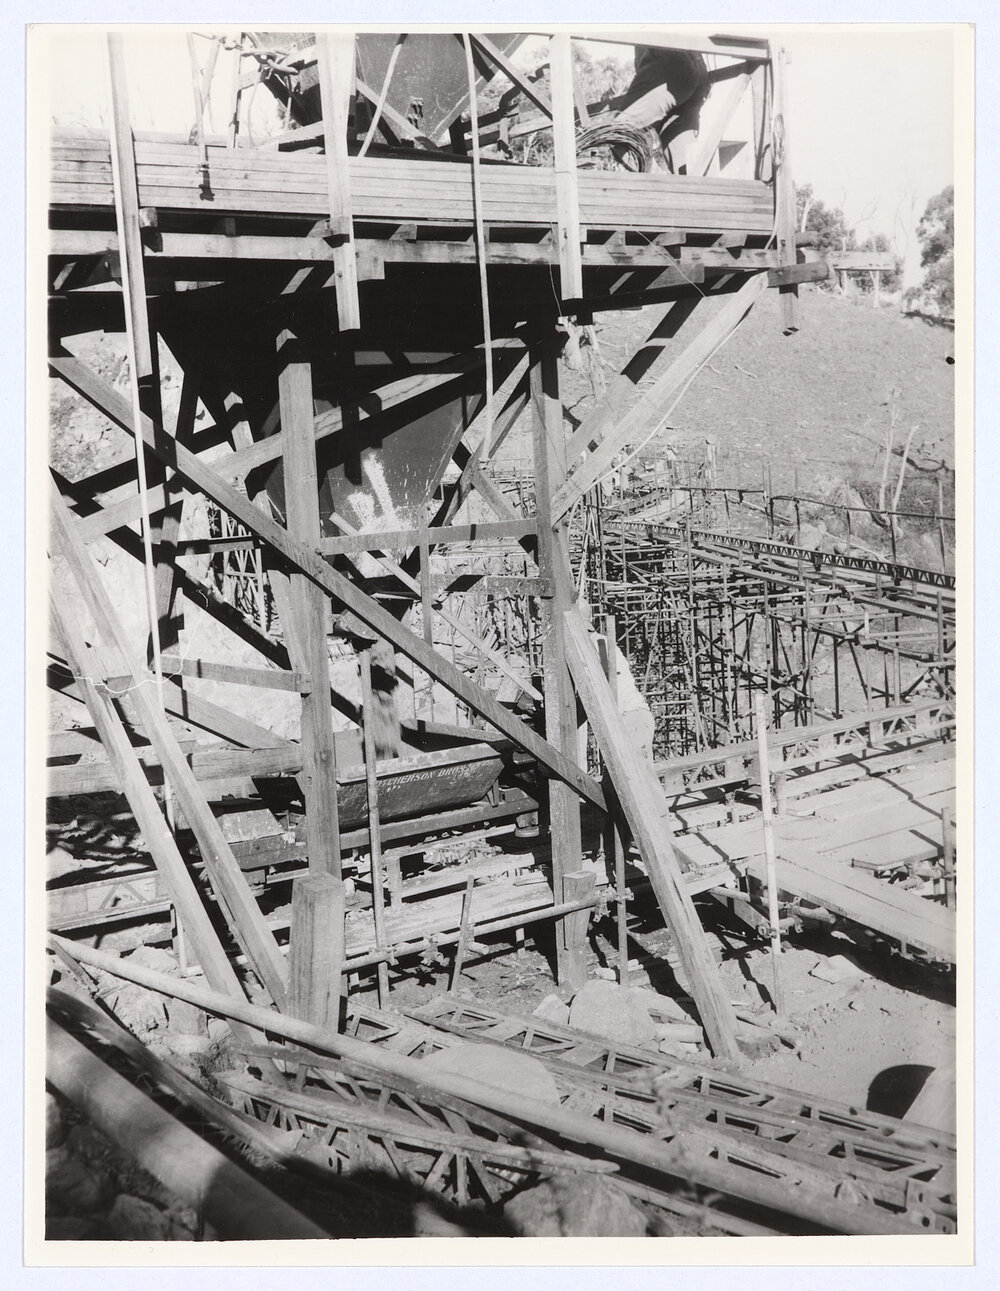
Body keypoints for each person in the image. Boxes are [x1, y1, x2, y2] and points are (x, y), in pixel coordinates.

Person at [615, 45, 710, 173]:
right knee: (685, 164)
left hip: (668, 64)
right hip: (696, 68)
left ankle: (639, 189)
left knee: (615, 133)